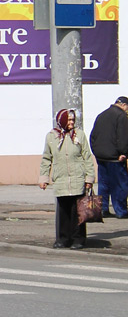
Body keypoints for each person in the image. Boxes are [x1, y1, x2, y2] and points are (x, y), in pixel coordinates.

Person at [39, 107, 96, 249]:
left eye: (72, 120)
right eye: (68, 119)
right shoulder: (52, 136)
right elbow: (47, 158)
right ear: (61, 120)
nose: (71, 122)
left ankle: (78, 239)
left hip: (77, 178)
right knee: (63, 211)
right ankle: (63, 239)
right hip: (61, 179)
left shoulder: (79, 135)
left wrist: (89, 178)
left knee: (78, 211)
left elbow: (87, 157)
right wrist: (44, 177)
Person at [88, 96, 128, 218]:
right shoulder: (121, 116)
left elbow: (92, 136)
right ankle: (121, 211)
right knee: (120, 184)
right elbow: (123, 137)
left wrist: (96, 152)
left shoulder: (101, 115)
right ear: (124, 105)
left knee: (104, 184)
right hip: (115, 157)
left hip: (101, 157)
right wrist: (124, 153)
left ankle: (103, 209)